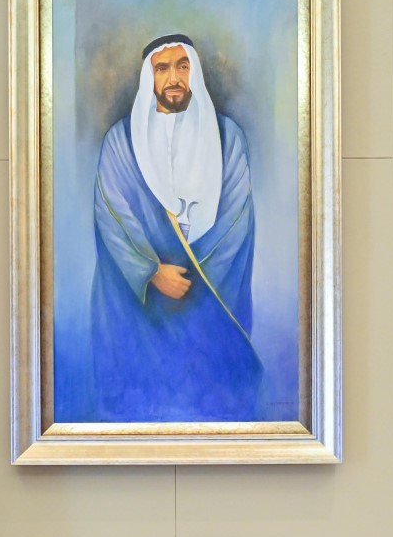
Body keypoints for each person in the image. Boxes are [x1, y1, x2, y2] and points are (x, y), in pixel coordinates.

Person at [88, 35, 263, 422]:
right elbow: (112, 214)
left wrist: (196, 283)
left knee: (212, 400)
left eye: (182, 66)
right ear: (148, 77)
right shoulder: (120, 142)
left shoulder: (228, 138)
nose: (173, 78)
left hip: (208, 295)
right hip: (143, 306)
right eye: (162, 68)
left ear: (194, 72)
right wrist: (151, 271)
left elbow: (236, 219)